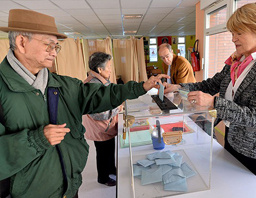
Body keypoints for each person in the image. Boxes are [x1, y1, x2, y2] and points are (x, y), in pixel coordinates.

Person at [0, 9, 169, 198]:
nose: (54, 52)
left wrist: (142, 86)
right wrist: (36, 140)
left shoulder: (63, 85)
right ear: (21, 42)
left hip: (70, 188)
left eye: (57, 46)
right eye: (48, 45)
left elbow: (102, 95)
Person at [164, 2, 256, 178]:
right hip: (231, 139)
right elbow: (210, 84)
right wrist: (179, 87)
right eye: (232, 33)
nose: (233, 39)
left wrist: (214, 103)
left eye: (239, 33)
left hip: (255, 152)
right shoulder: (236, 61)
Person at [82, 52, 120, 187]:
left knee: (109, 149)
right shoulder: (93, 85)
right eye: (108, 67)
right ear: (99, 69)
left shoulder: (99, 80)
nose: (110, 70)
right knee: (103, 152)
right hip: (99, 127)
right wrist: (117, 108)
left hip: (106, 126)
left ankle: (111, 169)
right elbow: (97, 113)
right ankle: (103, 178)